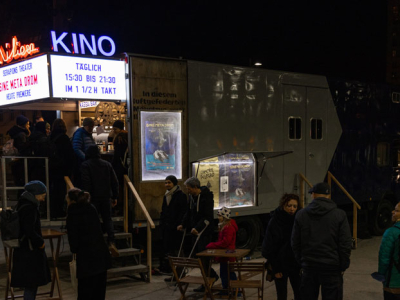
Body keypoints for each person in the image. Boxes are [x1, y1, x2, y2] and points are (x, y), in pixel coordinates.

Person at [291, 182, 352, 300]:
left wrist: (302, 261)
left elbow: (295, 242)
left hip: (309, 266)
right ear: (328, 196)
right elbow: (345, 244)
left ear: (313, 194)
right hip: (332, 268)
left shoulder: (301, 214)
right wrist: (343, 265)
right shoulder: (339, 215)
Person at [66, 188, 112, 300]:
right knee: (99, 292)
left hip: (86, 259)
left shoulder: (72, 213)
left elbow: (73, 240)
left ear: (72, 200)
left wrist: (75, 249)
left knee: (84, 292)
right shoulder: (91, 208)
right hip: (101, 256)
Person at [10, 180, 51, 299]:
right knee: (31, 283)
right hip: (30, 250)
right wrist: (40, 243)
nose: (43, 199)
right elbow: (29, 230)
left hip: (23, 249)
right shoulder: (30, 208)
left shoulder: (21, 204)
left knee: (30, 283)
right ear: (36, 194)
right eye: (43, 196)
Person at [177, 176, 218, 292]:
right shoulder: (192, 197)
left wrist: (198, 228)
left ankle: (210, 278)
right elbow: (189, 212)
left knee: (203, 258)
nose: (187, 191)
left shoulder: (206, 198)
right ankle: (207, 279)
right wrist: (183, 224)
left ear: (195, 187)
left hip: (204, 232)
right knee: (198, 258)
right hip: (195, 232)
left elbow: (208, 217)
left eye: (189, 188)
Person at [81, 145, 119, 257]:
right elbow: (114, 181)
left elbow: (86, 182)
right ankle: (111, 242)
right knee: (108, 219)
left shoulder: (85, 165)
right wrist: (115, 196)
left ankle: (96, 243)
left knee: (93, 220)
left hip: (93, 198)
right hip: (106, 196)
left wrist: (86, 197)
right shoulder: (107, 164)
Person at [262, 193, 302, 300]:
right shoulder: (275, 221)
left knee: (299, 293)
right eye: (289, 205)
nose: (292, 209)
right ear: (283, 205)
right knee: (281, 295)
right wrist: (275, 268)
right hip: (280, 264)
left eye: (295, 206)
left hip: (296, 265)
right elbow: (269, 246)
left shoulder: (299, 220)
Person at [159, 175, 188, 278]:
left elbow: (183, 211)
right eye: (166, 182)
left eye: (169, 182)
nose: (167, 184)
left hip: (176, 228)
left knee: (178, 252)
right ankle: (175, 274)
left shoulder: (181, 195)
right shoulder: (166, 195)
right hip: (167, 228)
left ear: (174, 183)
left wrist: (179, 224)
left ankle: (181, 274)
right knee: (170, 253)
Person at [206, 207, 238, 294]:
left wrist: (212, 245)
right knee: (225, 273)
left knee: (228, 273)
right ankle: (227, 289)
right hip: (225, 254)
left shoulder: (228, 227)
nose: (218, 217)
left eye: (220, 215)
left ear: (224, 217)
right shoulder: (225, 226)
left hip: (227, 255)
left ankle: (234, 291)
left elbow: (225, 242)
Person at [48, 119, 75, 219]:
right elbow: (70, 155)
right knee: (61, 190)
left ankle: (52, 211)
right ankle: (60, 211)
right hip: (63, 169)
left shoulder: (50, 137)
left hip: (52, 168)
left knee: (53, 190)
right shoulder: (64, 138)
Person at [378, 201, 400, 299]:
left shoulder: (391, 233)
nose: (392, 212)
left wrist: (382, 275)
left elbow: (384, 258)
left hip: (394, 284)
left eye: (396, 210)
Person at [6, 115, 32, 196]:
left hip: (15, 161)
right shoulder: (22, 134)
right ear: (23, 124)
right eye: (27, 124)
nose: (29, 126)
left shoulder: (14, 132)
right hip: (21, 162)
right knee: (23, 184)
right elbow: (24, 148)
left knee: (18, 183)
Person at [71, 117, 96, 187]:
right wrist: (86, 158)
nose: (91, 128)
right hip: (82, 163)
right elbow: (76, 148)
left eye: (92, 127)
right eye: (90, 127)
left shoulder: (88, 134)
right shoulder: (79, 134)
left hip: (87, 162)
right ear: (85, 126)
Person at [111, 120, 128, 214]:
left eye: (115, 129)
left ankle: (119, 205)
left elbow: (117, 153)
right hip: (125, 165)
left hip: (119, 166)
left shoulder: (119, 137)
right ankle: (123, 205)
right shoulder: (127, 135)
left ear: (120, 128)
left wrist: (112, 164)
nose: (114, 131)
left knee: (118, 185)